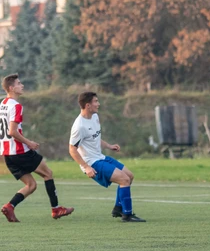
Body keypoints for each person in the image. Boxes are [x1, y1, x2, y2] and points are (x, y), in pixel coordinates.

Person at [0, 74, 74, 222]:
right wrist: (29, 142)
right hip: (19, 151)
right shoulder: (16, 106)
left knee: (31, 185)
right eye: (19, 83)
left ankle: (9, 206)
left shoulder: (3, 104)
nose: (22, 86)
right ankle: (56, 209)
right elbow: (12, 131)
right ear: (11, 88)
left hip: (7, 154)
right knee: (48, 173)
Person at [69, 92, 145, 222]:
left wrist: (109, 146)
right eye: (96, 101)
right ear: (88, 105)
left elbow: (94, 138)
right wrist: (86, 167)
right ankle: (127, 214)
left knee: (129, 176)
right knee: (124, 180)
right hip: (92, 163)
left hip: (100, 157)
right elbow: (72, 149)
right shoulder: (79, 126)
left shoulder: (94, 117)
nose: (98, 104)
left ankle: (118, 208)